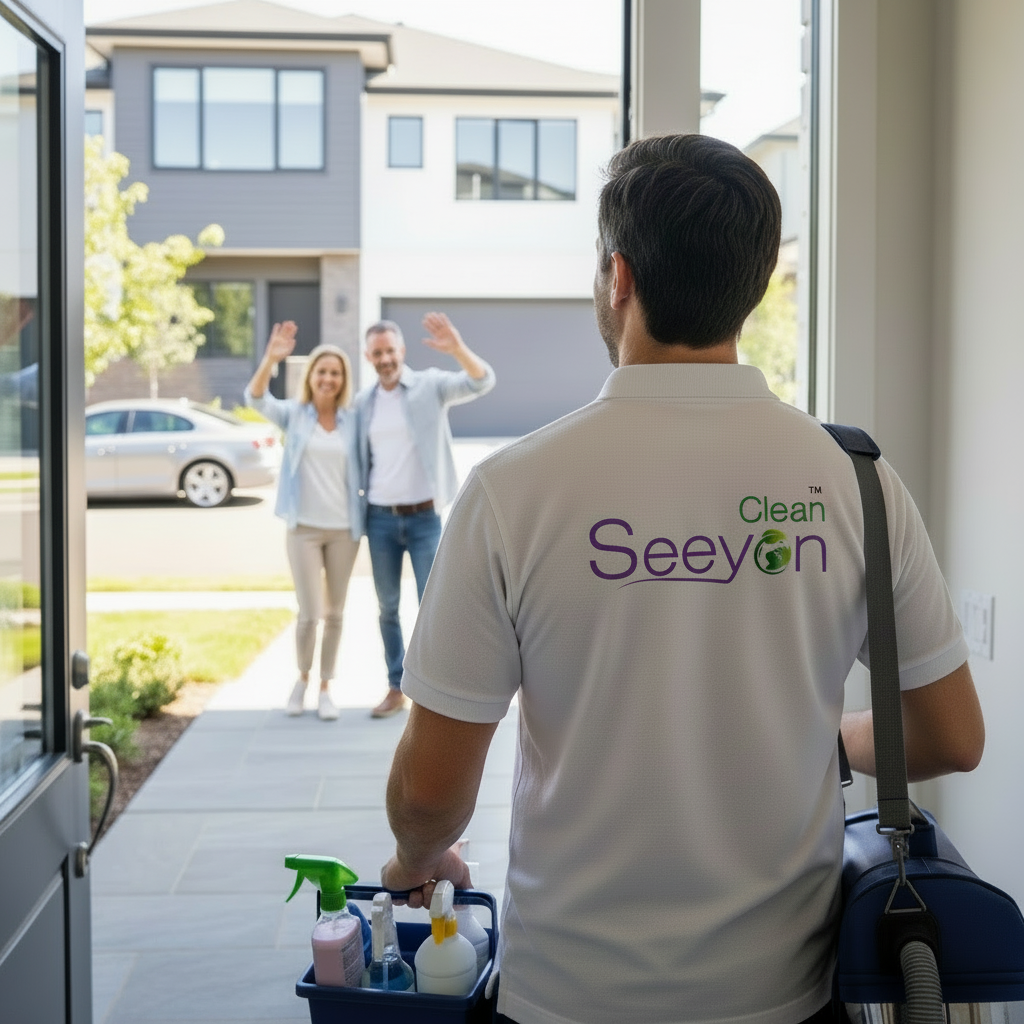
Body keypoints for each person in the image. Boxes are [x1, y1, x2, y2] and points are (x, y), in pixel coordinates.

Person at [380, 135, 985, 1024]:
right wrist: (826, 740)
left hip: (566, 997)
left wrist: (414, 861)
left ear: (617, 277)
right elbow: (950, 737)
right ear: (758, 285)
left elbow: (433, 791)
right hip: (786, 995)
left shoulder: (515, 489)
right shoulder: (854, 480)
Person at [355, 313, 495, 719]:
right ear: (369, 356)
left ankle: (436, 690)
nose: (385, 359)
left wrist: (457, 349)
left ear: (402, 351)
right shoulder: (363, 404)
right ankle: (395, 685)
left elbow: (482, 380)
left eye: (391, 351)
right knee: (387, 606)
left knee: (432, 603)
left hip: (424, 519)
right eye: (377, 352)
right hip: (379, 519)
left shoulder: (430, 386)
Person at [245, 321, 363, 721]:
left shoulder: (353, 421)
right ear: (311, 376)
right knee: (310, 612)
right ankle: (302, 679)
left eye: (335, 372)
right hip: (304, 529)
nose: (328, 378)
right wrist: (270, 359)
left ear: (342, 379)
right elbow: (256, 397)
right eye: (321, 371)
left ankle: (326, 686)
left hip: (345, 529)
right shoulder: (294, 415)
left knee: (335, 613)